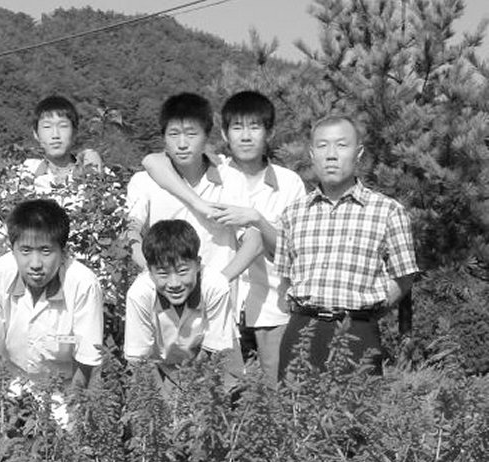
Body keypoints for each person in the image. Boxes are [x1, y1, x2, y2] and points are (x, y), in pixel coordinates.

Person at [141, 91, 306, 384]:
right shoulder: (214, 170)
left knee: (276, 391)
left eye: (255, 127)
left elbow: (293, 251)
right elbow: (154, 161)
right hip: (217, 309)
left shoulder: (290, 183)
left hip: (271, 306)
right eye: (237, 127)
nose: (246, 136)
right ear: (224, 133)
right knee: (220, 390)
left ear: (270, 132)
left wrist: (256, 218)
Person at [275, 115, 419, 378]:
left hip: (358, 334)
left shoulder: (387, 211)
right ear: (312, 154)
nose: (331, 155)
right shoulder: (292, 214)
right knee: (293, 404)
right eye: (322, 146)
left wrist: (367, 309)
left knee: (359, 405)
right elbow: (285, 280)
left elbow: (404, 277)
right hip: (302, 333)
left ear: (358, 153)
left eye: (341, 145)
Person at [0, 199, 104, 424]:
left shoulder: (83, 284)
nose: (35, 263)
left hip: (65, 394)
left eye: (46, 251)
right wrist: (3, 411)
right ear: (13, 250)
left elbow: (86, 360)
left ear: (63, 251)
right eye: (25, 251)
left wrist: (73, 414)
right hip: (10, 386)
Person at [128, 93, 263, 282]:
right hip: (165, 292)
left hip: (218, 293)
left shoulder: (230, 178)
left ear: (206, 136)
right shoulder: (144, 181)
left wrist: (220, 281)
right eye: (174, 134)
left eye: (191, 134)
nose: (182, 144)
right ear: (163, 137)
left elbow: (253, 240)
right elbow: (130, 231)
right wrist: (155, 273)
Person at [124, 220, 235, 389]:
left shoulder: (215, 287)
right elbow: (139, 360)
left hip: (213, 363)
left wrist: (193, 391)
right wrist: (159, 402)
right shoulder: (139, 295)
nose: (174, 283)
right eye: (163, 273)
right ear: (150, 271)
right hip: (163, 366)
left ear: (198, 264)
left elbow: (215, 351)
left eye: (182, 271)